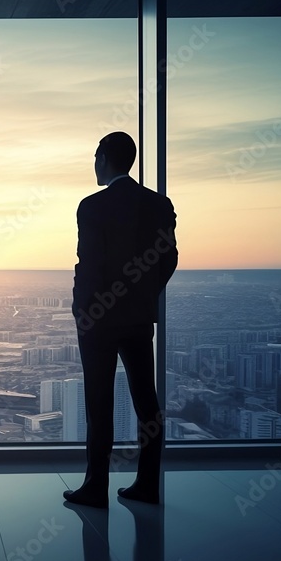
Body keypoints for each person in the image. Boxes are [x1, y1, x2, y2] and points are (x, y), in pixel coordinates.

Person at [64, 131, 177, 508]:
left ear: (104, 158)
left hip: (98, 319)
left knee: (99, 402)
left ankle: (95, 487)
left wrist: (83, 308)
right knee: (147, 400)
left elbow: (89, 264)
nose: (94, 164)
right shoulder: (159, 204)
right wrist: (146, 293)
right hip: (139, 317)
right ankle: (147, 484)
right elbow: (169, 259)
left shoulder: (92, 206)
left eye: (95, 156)